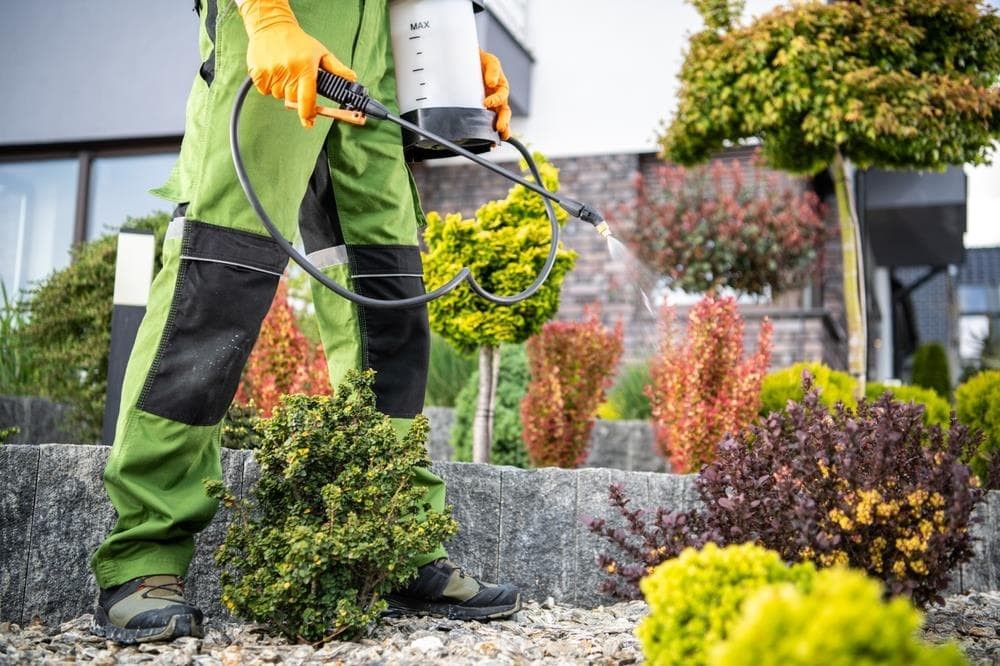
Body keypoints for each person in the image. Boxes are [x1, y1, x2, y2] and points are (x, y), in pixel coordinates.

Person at [89, 0, 519, 644]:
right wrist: (265, 19)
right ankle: (144, 553)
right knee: (221, 273)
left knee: (388, 290)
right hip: (287, 16)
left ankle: (395, 534)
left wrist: (451, 53)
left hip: (386, 38)